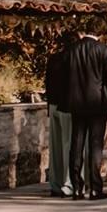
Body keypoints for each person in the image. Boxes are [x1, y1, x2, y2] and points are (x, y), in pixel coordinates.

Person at [63, 16, 107, 200]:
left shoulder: (73, 49)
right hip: (97, 104)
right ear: (101, 32)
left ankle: (77, 188)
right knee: (95, 146)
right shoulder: (103, 50)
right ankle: (95, 187)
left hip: (77, 103)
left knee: (76, 145)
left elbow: (66, 75)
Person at [43, 34, 75, 197]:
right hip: (67, 106)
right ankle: (68, 184)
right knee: (68, 145)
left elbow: (47, 83)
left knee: (55, 147)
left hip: (53, 104)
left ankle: (55, 184)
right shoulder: (73, 60)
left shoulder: (53, 59)